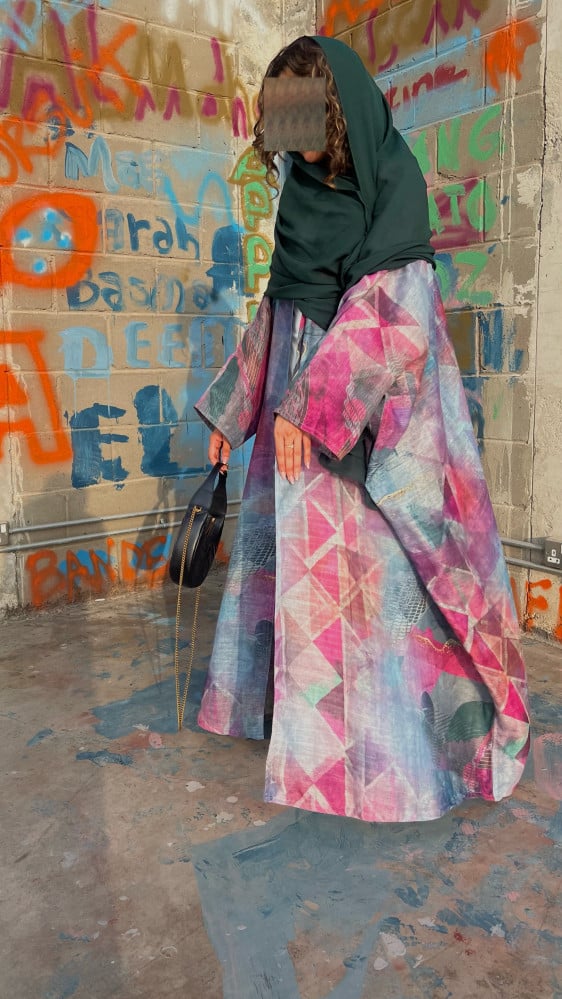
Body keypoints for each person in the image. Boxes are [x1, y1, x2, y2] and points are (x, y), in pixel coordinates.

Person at [193, 35, 530, 823]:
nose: (294, 141)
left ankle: (390, 757)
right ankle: (307, 746)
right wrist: (234, 412)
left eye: (303, 117)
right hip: (293, 430)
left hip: (368, 431)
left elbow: (395, 312)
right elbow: (279, 309)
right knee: (303, 591)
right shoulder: (302, 192)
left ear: (336, 107)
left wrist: (308, 407)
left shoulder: (392, 184)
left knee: (377, 598)